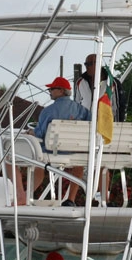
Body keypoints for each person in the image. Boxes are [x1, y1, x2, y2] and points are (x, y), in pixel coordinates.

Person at [34, 76, 90, 206]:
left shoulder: (48, 111)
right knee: (79, 164)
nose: (49, 91)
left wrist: (31, 132)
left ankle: (26, 195)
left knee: (37, 160)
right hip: (73, 152)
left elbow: (40, 133)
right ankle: (70, 199)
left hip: (51, 152)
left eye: (52, 89)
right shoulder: (81, 110)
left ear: (61, 91)